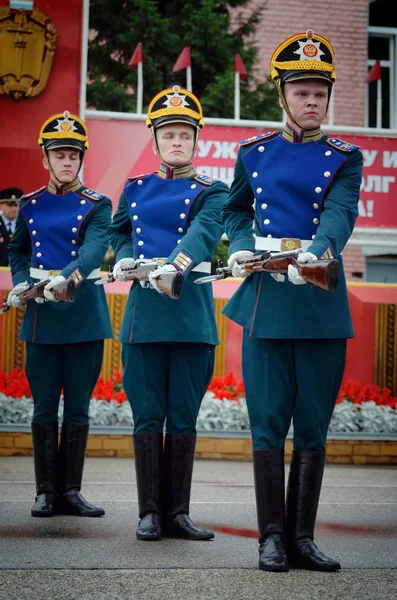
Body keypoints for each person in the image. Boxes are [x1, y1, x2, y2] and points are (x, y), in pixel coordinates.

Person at [222, 30, 363, 572]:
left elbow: (341, 212)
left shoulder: (345, 158)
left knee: (312, 426)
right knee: (267, 424)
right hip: (265, 302)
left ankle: (303, 538)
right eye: (301, 91)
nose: (311, 101)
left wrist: (317, 253)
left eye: (319, 93)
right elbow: (234, 213)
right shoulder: (253, 153)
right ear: (282, 95)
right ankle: (272, 539)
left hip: (319, 299)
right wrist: (238, 247)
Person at [109, 86, 228, 541]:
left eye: (184, 134)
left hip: (190, 318)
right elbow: (120, 232)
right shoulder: (135, 189)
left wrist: (172, 265)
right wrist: (121, 256)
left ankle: (178, 513)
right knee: (146, 418)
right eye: (168, 134)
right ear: (154, 140)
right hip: (144, 321)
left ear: (196, 140)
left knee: (183, 418)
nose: (177, 141)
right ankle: (150, 513)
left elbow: (202, 234)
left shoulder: (212, 191)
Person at [7, 111, 113, 518]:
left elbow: (92, 251)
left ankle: (71, 491)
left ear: (82, 158)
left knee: (80, 408)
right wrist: (20, 281)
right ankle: (45, 492)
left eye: (73, 155)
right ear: (45, 159)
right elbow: (18, 250)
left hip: (83, 317)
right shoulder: (30, 205)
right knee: (44, 407)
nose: (67, 161)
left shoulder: (97, 204)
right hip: (42, 319)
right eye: (59, 155)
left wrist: (67, 277)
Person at [0, 188, 23, 266]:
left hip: (19, 272)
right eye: (9, 205)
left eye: (16, 205)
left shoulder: (25, 224)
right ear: (1, 205)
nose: (13, 209)